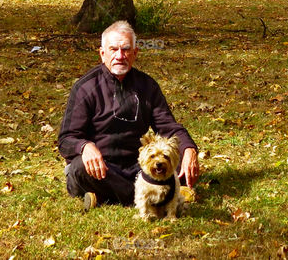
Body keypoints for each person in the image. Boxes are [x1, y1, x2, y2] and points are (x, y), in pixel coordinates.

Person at [58, 20, 199, 209]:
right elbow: (66, 139)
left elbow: (168, 127)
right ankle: (159, 194)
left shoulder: (147, 86)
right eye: (113, 49)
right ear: (102, 54)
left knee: (176, 157)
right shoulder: (85, 88)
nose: (119, 56)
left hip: (137, 166)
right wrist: (85, 147)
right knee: (78, 169)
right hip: (101, 169)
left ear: (135, 53)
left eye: (125, 49)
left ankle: (104, 198)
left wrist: (189, 149)